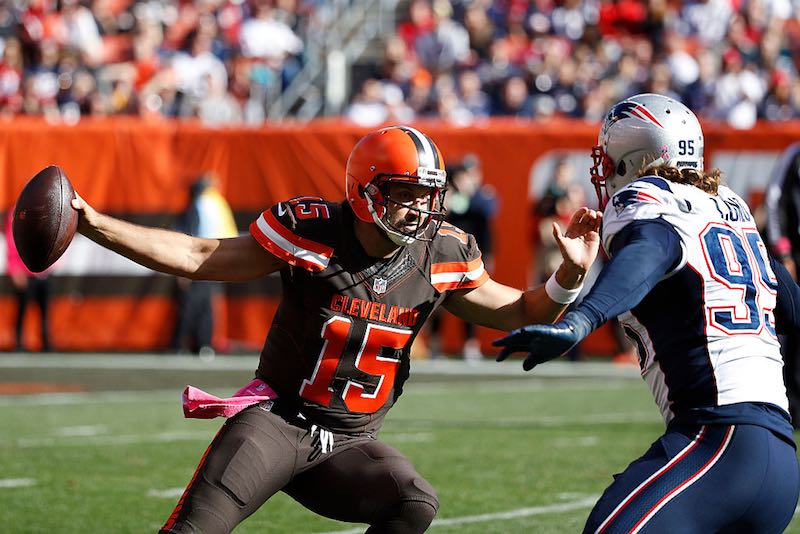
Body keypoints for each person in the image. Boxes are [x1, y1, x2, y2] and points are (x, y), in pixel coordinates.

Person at [70, 125, 601, 533]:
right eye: (406, 192)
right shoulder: (314, 231)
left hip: (351, 443)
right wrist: (94, 224)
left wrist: (570, 274)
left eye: (427, 193)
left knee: (414, 501)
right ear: (365, 192)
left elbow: (517, 312)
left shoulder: (442, 252)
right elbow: (196, 254)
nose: (421, 207)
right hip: (275, 423)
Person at [495, 94, 800, 533]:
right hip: (779, 457)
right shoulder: (729, 207)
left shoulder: (644, 197)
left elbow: (652, 249)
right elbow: (789, 303)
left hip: (716, 440)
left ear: (632, 158)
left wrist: (583, 319)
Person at [171, 174, 238, 356]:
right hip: (216, 261)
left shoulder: (200, 205)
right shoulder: (216, 204)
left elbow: (189, 238)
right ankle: (202, 344)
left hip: (199, 262)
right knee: (204, 306)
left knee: (192, 305)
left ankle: (182, 344)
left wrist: (182, 271)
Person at [764, 141, 800, 429]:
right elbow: (775, 200)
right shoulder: (794, 154)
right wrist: (784, 251)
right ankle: (792, 402)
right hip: (796, 255)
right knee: (794, 326)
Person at [5, 208, 51, 352]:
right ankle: (19, 344)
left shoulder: (46, 210)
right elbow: (11, 242)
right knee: (22, 310)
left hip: (42, 273)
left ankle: (46, 344)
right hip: (25, 274)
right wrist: (15, 270)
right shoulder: (17, 212)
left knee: (44, 311)